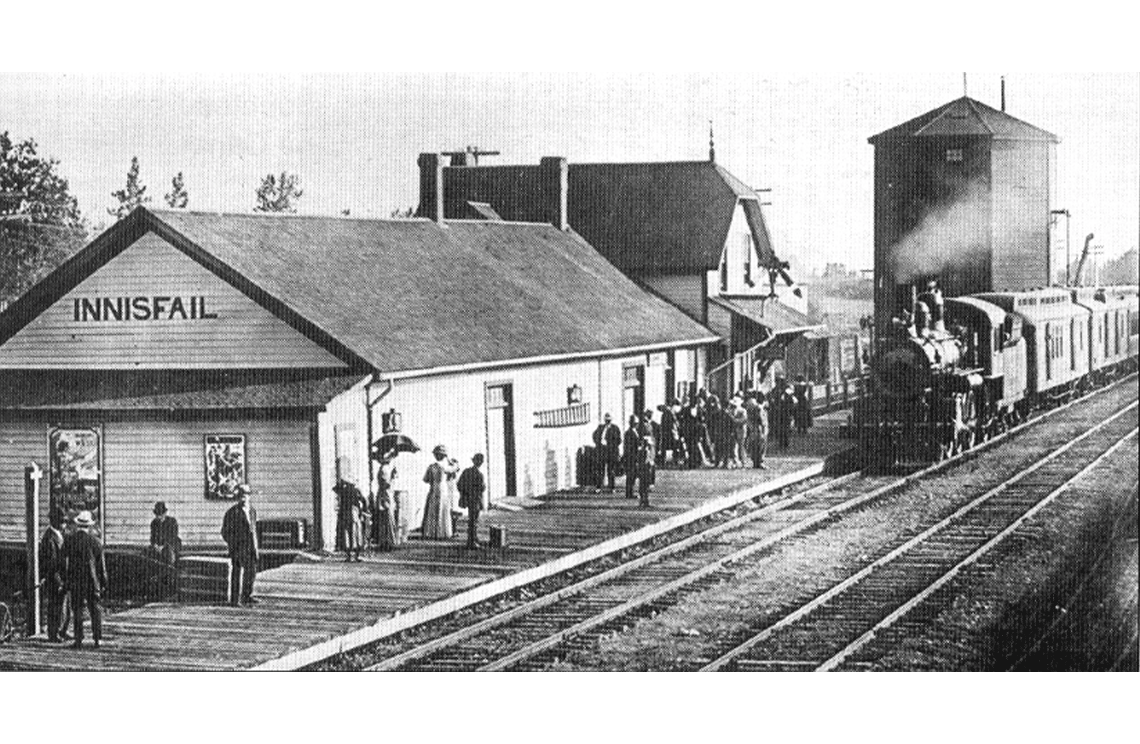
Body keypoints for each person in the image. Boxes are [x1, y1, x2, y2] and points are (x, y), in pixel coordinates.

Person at [64, 510, 107, 648]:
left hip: (76, 580)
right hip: (91, 580)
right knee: (95, 610)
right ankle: (97, 638)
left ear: (78, 525)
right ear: (89, 526)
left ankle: (78, 639)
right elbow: (101, 566)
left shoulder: (70, 541)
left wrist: (66, 580)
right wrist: (103, 582)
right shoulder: (96, 542)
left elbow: (65, 562)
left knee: (77, 610)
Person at [221, 484, 259, 606]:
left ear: (249, 496)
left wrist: (256, 547)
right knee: (236, 573)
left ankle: (247, 596)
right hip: (238, 548)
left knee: (251, 572)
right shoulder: (232, 512)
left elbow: (254, 530)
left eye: (246, 495)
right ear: (237, 497)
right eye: (241, 495)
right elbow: (225, 532)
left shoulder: (252, 511)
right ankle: (235, 599)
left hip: (251, 547)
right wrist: (234, 544)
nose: (243, 497)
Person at [38, 509, 70, 643]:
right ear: (55, 521)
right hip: (54, 577)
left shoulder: (60, 534)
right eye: (62, 521)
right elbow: (51, 563)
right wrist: (58, 580)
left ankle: (63, 630)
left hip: (63, 576)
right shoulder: (49, 538)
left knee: (64, 605)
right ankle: (53, 633)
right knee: (55, 605)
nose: (64, 524)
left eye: (65, 521)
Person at [422, 445, 458, 539]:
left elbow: (426, 479)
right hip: (443, 488)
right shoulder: (445, 466)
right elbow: (455, 469)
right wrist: (453, 463)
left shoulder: (431, 466)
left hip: (434, 488)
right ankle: (442, 532)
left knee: (432, 510)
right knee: (443, 509)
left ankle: (431, 532)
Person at [334, 474, 368, 562]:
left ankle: (349, 555)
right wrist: (363, 511)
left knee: (347, 534)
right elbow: (364, 501)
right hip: (354, 513)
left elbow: (335, 490)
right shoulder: (356, 491)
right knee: (356, 533)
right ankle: (356, 555)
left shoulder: (343, 491)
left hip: (345, 513)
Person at [457, 454, 487, 549]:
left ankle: (473, 538)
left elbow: (459, 485)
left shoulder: (466, 471)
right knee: (474, 521)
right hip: (476, 499)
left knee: (472, 520)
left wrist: (464, 494)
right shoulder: (479, 474)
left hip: (468, 498)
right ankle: (472, 541)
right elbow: (482, 488)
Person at [374, 450, 400, 551]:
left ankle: (387, 541)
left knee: (386, 518)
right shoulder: (384, 469)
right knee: (387, 518)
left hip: (387, 494)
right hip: (385, 495)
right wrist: (392, 478)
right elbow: (386, 484)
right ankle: (387, 541)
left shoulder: (386, 468)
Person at [625, 421, 655, 507]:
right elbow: (646, 451)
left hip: (644, 462)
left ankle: (644, 500)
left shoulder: (644, 440)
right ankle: (644, 500)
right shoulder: (645, 440)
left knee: (643, 483)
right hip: (644, 462)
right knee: (644, 483)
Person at [592, 413, 622, 492]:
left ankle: (612, 487)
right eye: (606, 420)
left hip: (611, 452)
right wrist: (598, 443)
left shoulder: (615, 428)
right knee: (600, 470)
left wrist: (610, 444)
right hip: (602, 451)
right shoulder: (600, 427)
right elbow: (594, 436)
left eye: (609, 420)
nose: (607, 422)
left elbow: (618, 440)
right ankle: (599, 487)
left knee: (611, 470)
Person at [745, 391, 769, 469]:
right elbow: (761, 420)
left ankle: (755, 462)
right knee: (760, 445)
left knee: (755, 445)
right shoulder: (758, 408)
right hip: (759, 428)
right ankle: (759, 462)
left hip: (754, 428)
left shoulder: (751, 407)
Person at [729, 396, 749, 467]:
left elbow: (744, 420)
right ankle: (735, 461)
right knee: (734, 446)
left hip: (741, 431)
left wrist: (734, 420)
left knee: (742, 447)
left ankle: (743, 462)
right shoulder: (731, 411)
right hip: (734, 430)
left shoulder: (743, 411)